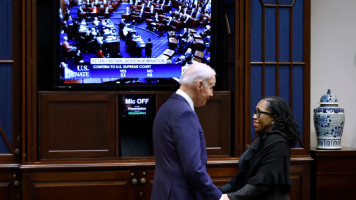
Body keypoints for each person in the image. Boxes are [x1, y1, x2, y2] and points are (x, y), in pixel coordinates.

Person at [151, 63, 226, 200]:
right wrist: (218, 197)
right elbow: (193, 168)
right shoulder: (184, 113)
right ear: (199, 86)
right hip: (180, 195)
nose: (211, 94)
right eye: (211, 87)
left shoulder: (167, 107)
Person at [219, 96, 300, 200]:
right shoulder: (262, 139)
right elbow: (240, 179)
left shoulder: (279, 143)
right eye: (255, 112)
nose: (254, 116)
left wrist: (229, 197)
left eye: (259, 112)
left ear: (273, 118)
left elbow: (261, 183)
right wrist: (217, 191)